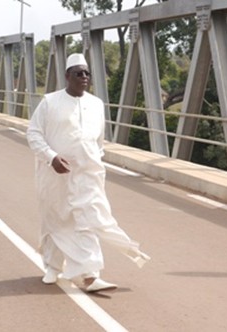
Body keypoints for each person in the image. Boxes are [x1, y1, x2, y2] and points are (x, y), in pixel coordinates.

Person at [26, 53, 151, 292]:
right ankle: (52, 267)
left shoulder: (96, 104)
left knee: (88, 220)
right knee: (56, 220)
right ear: (67, 76)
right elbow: (33, 133)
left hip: (88, 175)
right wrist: (51, 157)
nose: (84, 77)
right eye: (78, 73)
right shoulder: (50, 102)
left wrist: (94, 163)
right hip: (55, 175)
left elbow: (99, 141)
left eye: (87, 73)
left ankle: (91, 275)